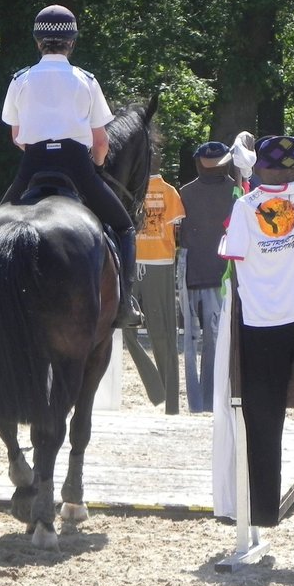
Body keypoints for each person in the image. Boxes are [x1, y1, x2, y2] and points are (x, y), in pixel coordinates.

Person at [0, 4, 141, 326]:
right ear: (71, 42)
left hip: (32, 164)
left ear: (38, 42)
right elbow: (101, 141)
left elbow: (17, 135)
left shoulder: (21, 80)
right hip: (76, 165)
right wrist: (98, 167)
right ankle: (125, 304)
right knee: (124, 227)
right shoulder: (85, 80)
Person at [221, 135, 294, 527]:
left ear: (261, 168)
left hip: (262, 320)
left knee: (262, 420)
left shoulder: (246, 207)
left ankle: (262, 510)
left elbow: (232, 257)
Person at [122, 156, 184, 413]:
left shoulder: (131, 191)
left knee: (126, 327)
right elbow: (178, 231)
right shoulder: (170, 193)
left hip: (135, 263)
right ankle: (167, 398)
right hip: (159, 263)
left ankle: (162, 394)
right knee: (164, 333)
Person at [178, 141, 237, 413]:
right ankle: (204, 400)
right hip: (204, 271)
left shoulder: (236, 193)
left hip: (211, 272)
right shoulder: (234, 193)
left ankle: (204, 401)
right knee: (206, 339)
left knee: (199, 340)